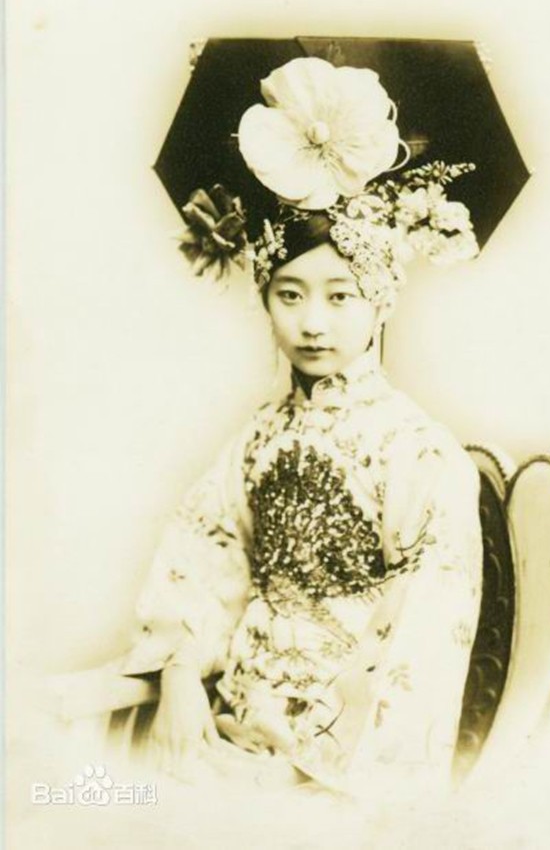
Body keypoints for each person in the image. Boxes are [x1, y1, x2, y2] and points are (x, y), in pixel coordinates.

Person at [55, 56, 485, 806]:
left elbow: (425, 635)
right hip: (230, 725)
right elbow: (208, 552)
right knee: (96, 801)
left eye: (340, 296)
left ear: (380, 301)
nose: (313, 322)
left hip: (336, 763)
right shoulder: (259, 439)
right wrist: (181, 674)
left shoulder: (420, 451)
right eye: (290, 295)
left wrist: (316, 760)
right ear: (266, 300)